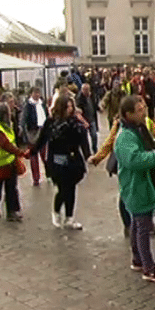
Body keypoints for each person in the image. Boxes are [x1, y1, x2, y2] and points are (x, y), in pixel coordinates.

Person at [115, 95, 155, 282]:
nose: (144, 112)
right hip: (136, 187)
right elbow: (135, 160)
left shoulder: (138, 130)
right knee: (143, 227)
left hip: (141, 185)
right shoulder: (126, 136)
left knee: (137, 225)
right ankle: (148, 267)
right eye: (139, 110)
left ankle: (137, 259)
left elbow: (150, 146)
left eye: (144, 107)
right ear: (128, 114)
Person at [88, 114, 155, 237]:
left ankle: (148, 223)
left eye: (144, 107)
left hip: (146, 162)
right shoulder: (121, 125)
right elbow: (110, 141)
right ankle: (128, 226)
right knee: (125, 194)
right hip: (128, 162)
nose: (144, 109)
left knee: (148, 192)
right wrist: (98, 158)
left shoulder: (146, 121)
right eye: (140, 108)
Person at [31, 96, 90, 230]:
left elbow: (82, 140)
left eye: (71, 106)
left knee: (71, 188)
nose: (70, 109)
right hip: (57, 160)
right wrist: (32, 151)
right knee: (63, 189)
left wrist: (88, 155)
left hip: (73, 160)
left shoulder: (75, 122)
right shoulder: (51, 122)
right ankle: (56, 211)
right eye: (67, 106)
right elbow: (42, 140)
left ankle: (70, 218)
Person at [22, 87, 48, 186]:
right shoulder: (28, 105)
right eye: (35, 93)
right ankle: (36, 178)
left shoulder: (42, 103)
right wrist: (24, 131)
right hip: (32, 133)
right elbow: (24, 119)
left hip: (42, 131)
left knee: (44, 154)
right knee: (33, 156)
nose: (37, 95)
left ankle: (48, 173)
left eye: (38, 93)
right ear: (31, 94)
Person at [76, 83, 99, 154]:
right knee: (85, 138)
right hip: (84, 120)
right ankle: (87, 152)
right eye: (84, 90)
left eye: (87, 90)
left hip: (92, 119)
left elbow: (94, 105)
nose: (86, 91)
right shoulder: (79, 98)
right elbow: (78, 108)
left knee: (94, 135)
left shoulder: (92, 96)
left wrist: (98, 108)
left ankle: (94, 148)